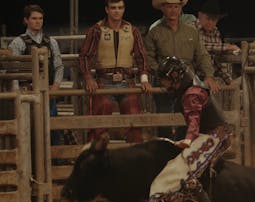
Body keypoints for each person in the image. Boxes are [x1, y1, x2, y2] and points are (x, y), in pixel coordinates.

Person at [147, 57, 231, 202]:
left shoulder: (191, 93)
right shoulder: (188, 86)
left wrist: (188, 139)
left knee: (186, 167)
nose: (163, 83)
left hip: (215, 135)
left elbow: (194, 119)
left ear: (175, 77)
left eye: (165, 79)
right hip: (206, 131)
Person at [146, 0, 220, 140]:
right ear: (163, 8)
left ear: (181, 8)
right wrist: (162, 75)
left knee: (189, 121)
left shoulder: (191, 32)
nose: (173, 10)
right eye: (169, 6)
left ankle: (187, 152)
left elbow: (202, 55)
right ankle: (166, 154)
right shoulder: (154, 32)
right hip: (165, 84)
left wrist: (209, 75)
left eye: (176, 6)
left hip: (188, 83)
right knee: (165, 121)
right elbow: (149, 58)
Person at [79, 0, 152, 143]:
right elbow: (85, 56)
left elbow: (141, 56)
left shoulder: (132, 30)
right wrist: (88, 78)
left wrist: (144, 80)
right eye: (113, 8)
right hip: (104, 82)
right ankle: (96, 159)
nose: (116, 11)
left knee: (134, 121)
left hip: (127, 81)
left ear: (124, 9)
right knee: (100, 123)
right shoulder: (97, 29)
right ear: (107, 9)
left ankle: (134, 157)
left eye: (119, 7)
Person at [8, 4, 64, 145]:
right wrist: (16, 92)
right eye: (34, 18)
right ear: (26, 20)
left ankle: (56, 160)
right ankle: (31, 162)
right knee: (27, 127)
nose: (38, 21)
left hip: (47, 91)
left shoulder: (51, 42)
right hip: (27, 91)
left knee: (51, 125)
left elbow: (58, 66)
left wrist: (56, 85)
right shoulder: (18, 43)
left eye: (40, 18)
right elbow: (13, 71)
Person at [196, 0, 240, 85]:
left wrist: (228, 80)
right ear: (200, 16)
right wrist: (226, 47)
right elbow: (200, 48)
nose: (211, 22)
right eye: (208, 18)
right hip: (194, 76)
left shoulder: (215, 32)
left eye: (214, 20)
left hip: (210, 77)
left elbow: (218, 60)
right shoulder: (192, 29)